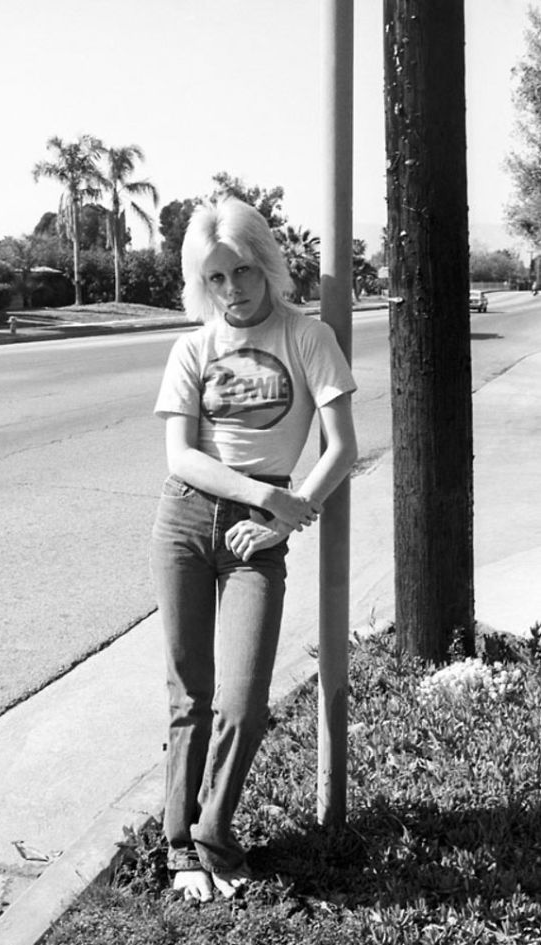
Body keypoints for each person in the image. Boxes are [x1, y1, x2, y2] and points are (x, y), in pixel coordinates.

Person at [150, 198, 358, 903]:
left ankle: (214, 831)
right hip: (185, 521)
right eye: (215, 278)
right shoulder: (193, 348)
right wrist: (269, 495)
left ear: (266, 265)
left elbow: (342, 449)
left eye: (242, 270)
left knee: (242, 700)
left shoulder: (307, 337)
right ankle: (182, 847)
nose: (233, 288)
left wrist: (279, 521)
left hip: (255, 541)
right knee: (189, 695)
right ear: (199, 284)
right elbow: (180, 457)